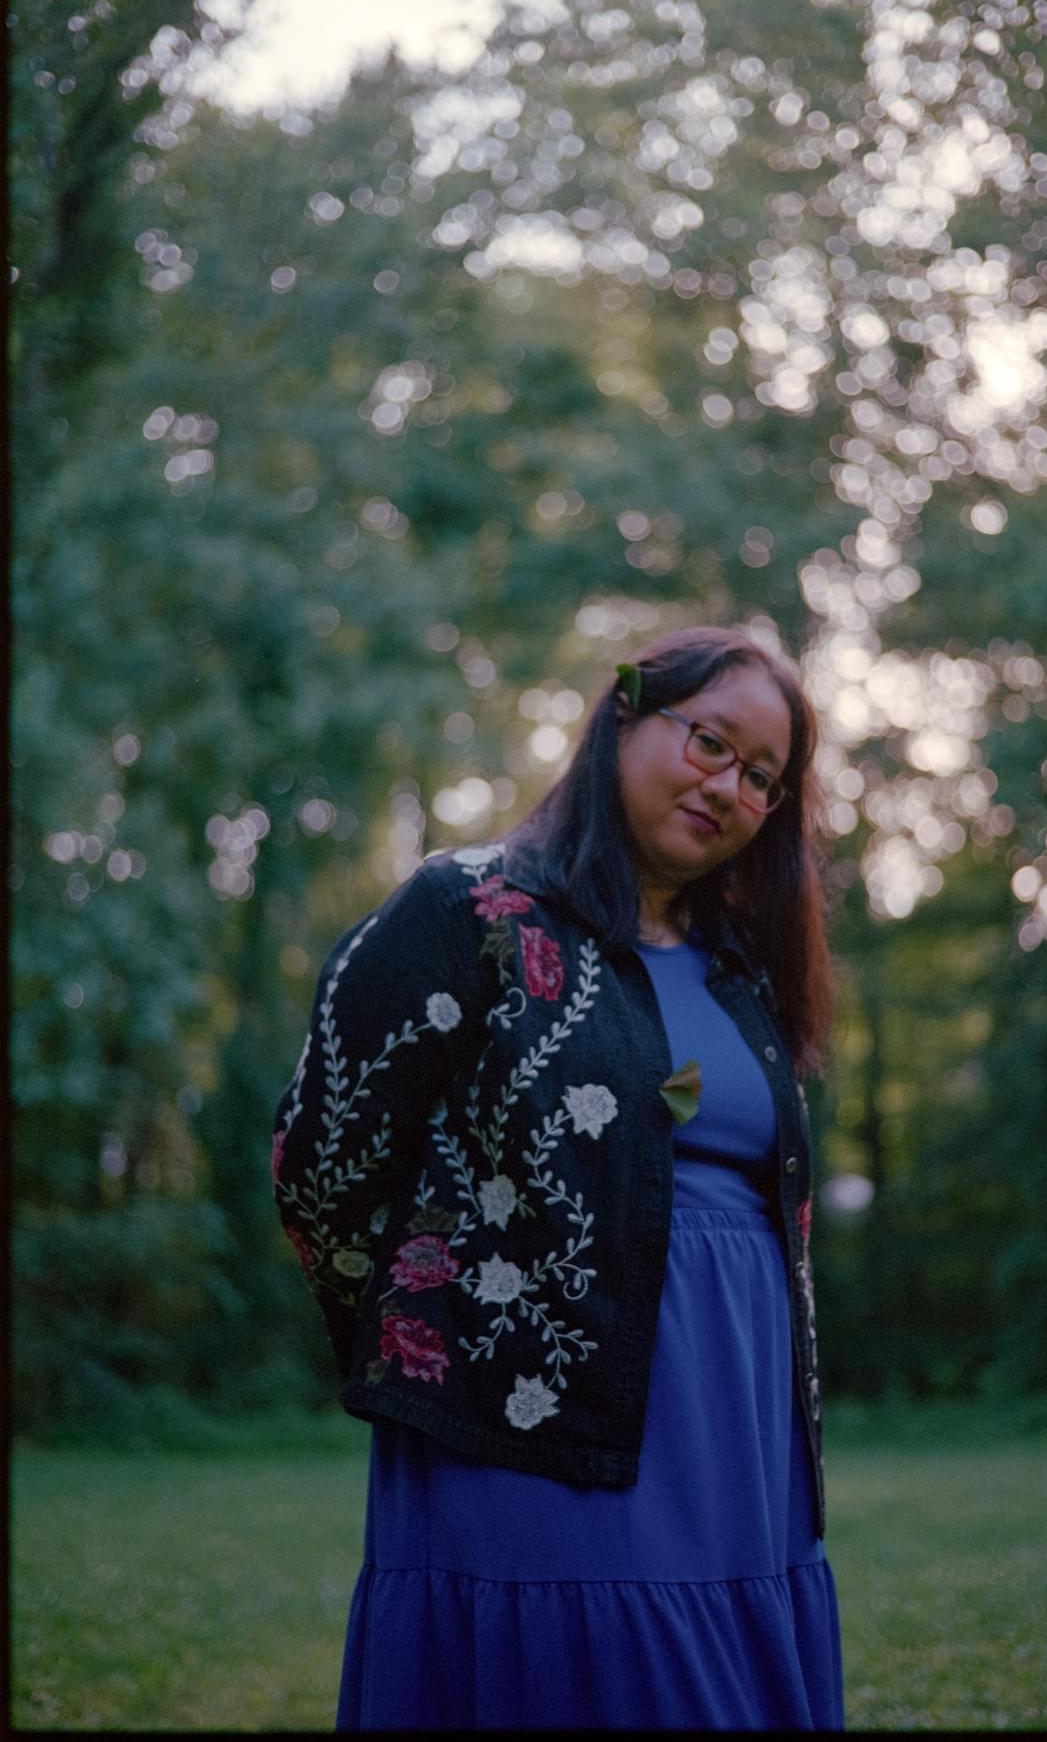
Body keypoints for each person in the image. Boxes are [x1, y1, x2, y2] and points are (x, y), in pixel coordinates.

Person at [271, 624, 843, 1730]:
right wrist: (436, 1343)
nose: (730, 788)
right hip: (524, 1419)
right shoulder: (468, 908)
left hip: (735, 1422)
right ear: (626, 714)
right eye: (713, 744)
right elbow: (320, 1161)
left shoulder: (741, 972)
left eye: (764, 779)